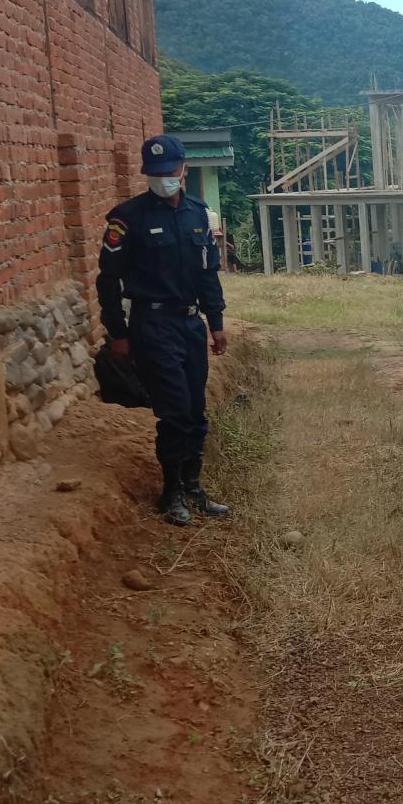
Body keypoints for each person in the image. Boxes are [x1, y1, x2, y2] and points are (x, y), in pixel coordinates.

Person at [97, 134, 231, 527]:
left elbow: (207, 274)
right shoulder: (128, 218)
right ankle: (171, 493)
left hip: (190, 324)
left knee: (195, 409)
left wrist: (216, 323)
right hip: (152, 325)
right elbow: (108, 281)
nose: (162, 179)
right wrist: (118, 332)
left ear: (183, 168)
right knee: (174, 411)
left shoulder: (197, 214)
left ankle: (193, 486)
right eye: (154, 173)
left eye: (169, 171)